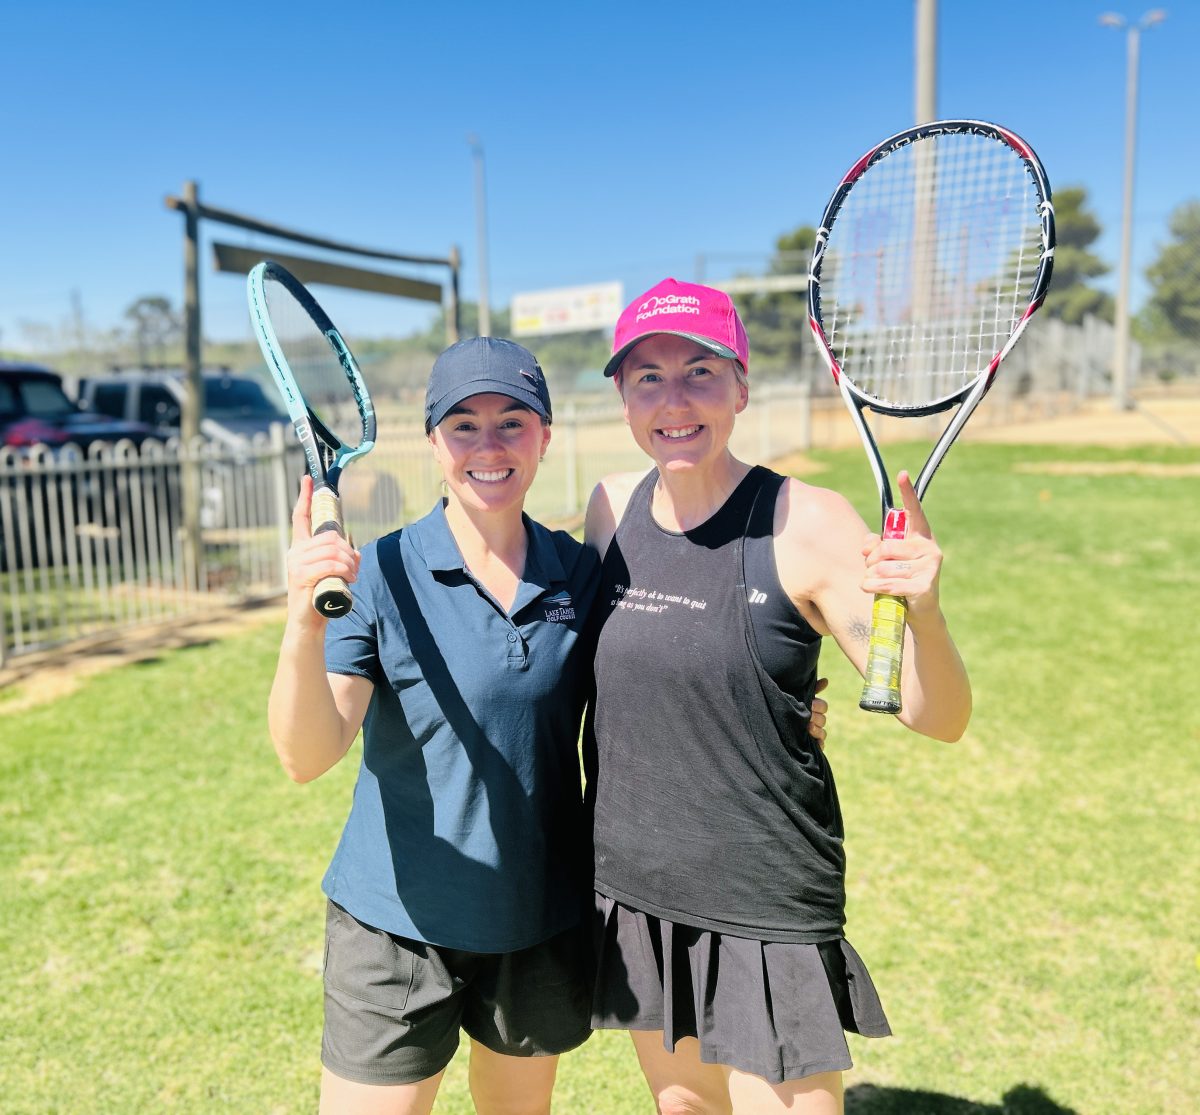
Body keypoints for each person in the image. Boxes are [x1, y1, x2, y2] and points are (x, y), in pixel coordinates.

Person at [583, 278, 972, 1115]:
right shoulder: (610, 508)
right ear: (623, 397)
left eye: (700, 371)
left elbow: (938, 717)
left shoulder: (809, 522)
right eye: (647, 377)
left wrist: (927, 615)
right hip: (637, 882)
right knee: (684, 1107)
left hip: (764, 894)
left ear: (741, 387)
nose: (673, 399)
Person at [268, 336, 602, 1115]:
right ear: (433, 442)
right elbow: (306, 755)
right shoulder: (380, 574)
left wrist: (786, 712)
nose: (489, 446)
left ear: (545, 437)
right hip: (396, 926)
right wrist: (302, 623)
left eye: (512, 422)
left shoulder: (579, 573)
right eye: (464, 425)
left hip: (535, 917)